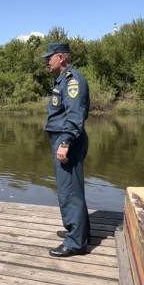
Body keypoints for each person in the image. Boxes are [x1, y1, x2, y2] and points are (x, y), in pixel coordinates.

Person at [43, 43, 91, 257]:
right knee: (72, 188)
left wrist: (65, 143)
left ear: (61, 57)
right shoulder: (63, 80)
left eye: (49, 57)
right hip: (64, 139)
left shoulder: (73, 81)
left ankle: (75, 243)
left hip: (67, 141)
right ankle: (79, 232)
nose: (47, 61)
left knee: (69, 191)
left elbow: (74, 115)